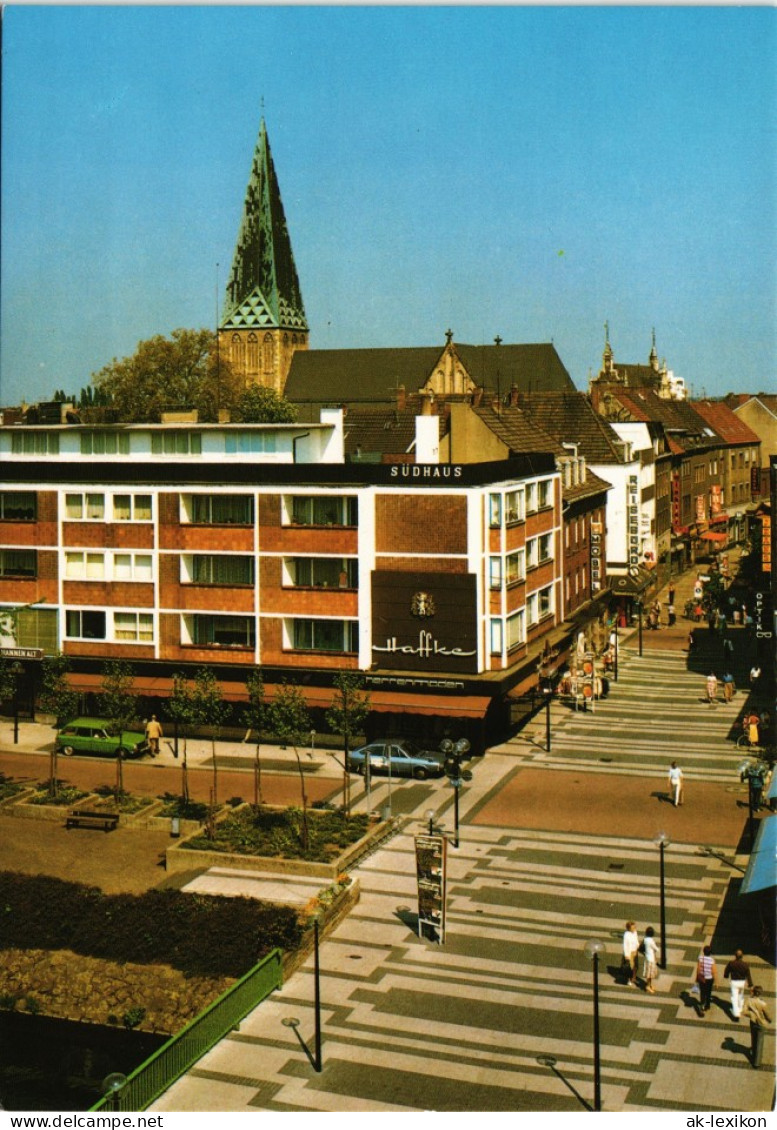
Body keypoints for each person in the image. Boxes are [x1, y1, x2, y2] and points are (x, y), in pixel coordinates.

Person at [741, 987, 772, 1069]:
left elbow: (743, 1011)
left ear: (753, 992)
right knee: (760, 1041)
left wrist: (751, 1014)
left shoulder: (748, 1000)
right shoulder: (763, 1003)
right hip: (761, 1023)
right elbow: (767, 1015)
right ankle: (756, 1062)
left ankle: (753, 1052)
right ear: (760, 993)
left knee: (753, 1037)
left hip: (753, 1022)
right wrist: (770, 1020)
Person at [723, 949, 753, 1020]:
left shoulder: (731, 963)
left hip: (734, 982)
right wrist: (750, 984)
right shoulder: (745, 965)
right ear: (742, 956)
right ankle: (740, 1008)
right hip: (741, 983)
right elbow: (748, 975)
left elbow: (726, 971)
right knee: (740, 995)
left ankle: (736, 1013)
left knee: (734, 997)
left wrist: (726, 976)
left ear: (735, 956)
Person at [695, 945, 716, 1015]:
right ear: (710, 953)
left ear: (704, 952)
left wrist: (697, 977)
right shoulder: (712, 960)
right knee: (708, 992)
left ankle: (702, 1005)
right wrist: (715, 980)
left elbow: (698, 969)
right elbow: (713, 971)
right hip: (709, 979)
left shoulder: (700, 958)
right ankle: (707, 1005)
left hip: (702, 978)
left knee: (702, 992)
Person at [623, 921, 640, 987]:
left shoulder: (635, 932)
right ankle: (628, 980)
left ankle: (634, 978)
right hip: (629, 953)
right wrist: (626, 955)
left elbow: (636, 940)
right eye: (633, 928)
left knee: (635, 966)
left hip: (635, 951)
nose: (634, 929)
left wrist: (638, 946)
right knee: (630, 968)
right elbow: (625, 945)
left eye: (634, 927)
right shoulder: (626, 935)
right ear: (629, 928)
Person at [642, 926, 658, 994]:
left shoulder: (645, 939)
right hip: (651, 959)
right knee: (650, 974)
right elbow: (657, 949)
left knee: (649, 973)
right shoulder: (651, 941)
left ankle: (650, 985)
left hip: (647, 958)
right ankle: (648, 986)